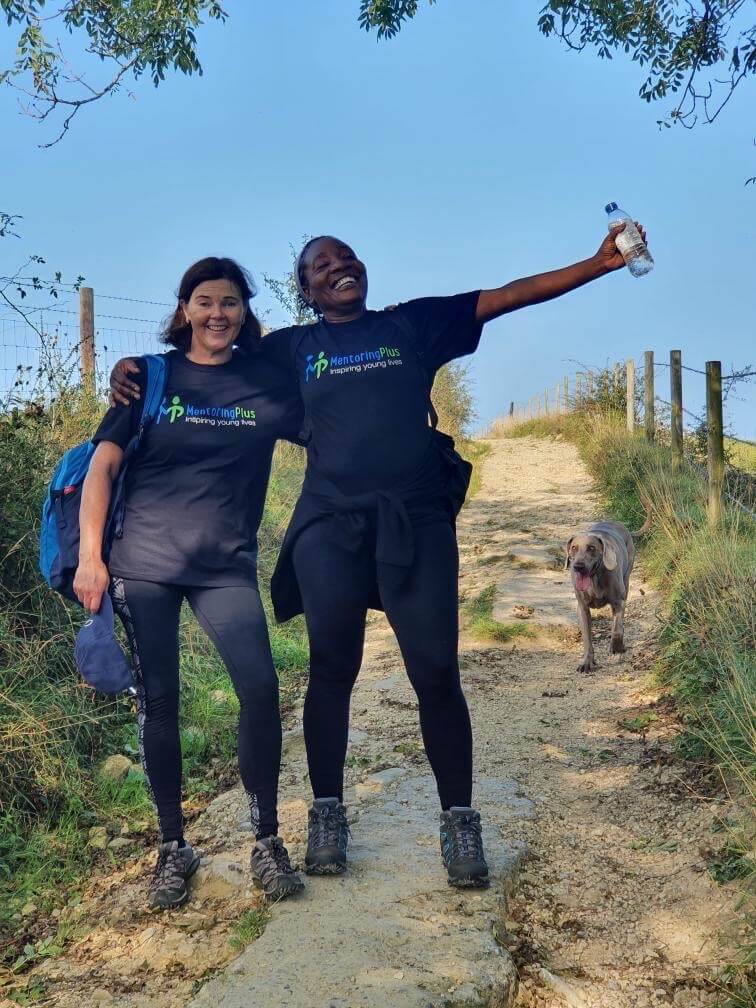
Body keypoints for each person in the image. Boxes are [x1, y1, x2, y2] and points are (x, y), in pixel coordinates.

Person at [111, 224, 646, 890]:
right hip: (329, 526)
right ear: (305, 291)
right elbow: (203, 361)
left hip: (416, 522)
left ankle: (459, 820)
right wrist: (135, 369)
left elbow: (510, 296)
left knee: (435, 672)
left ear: (362, 270)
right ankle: (328, 816)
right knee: (333, 667)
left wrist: (599, 264)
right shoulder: (292, 348)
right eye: (319, 265)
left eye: (345, 257)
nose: (338, 266)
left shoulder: (411, 326)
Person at [77, 257, 305, 908]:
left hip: (224, 567)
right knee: (161, 704)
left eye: (229, 302)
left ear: (243, 313)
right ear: (184, 310)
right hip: (142, 564)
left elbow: (329, 428)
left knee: (260, 689)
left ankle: (266, 841)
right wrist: (92, 556)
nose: (217, 313)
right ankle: (173, 846)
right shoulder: (147, 378)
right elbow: (102, 468)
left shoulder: (264, 386)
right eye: (204, 301)